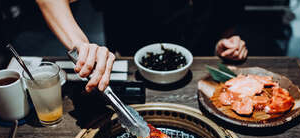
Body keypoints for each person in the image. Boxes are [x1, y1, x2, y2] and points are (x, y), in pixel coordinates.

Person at [36, 0, 248, 92]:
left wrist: (225, 45)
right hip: (129, 71)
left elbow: (225, 23)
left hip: (198, 78)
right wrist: (81, 45)